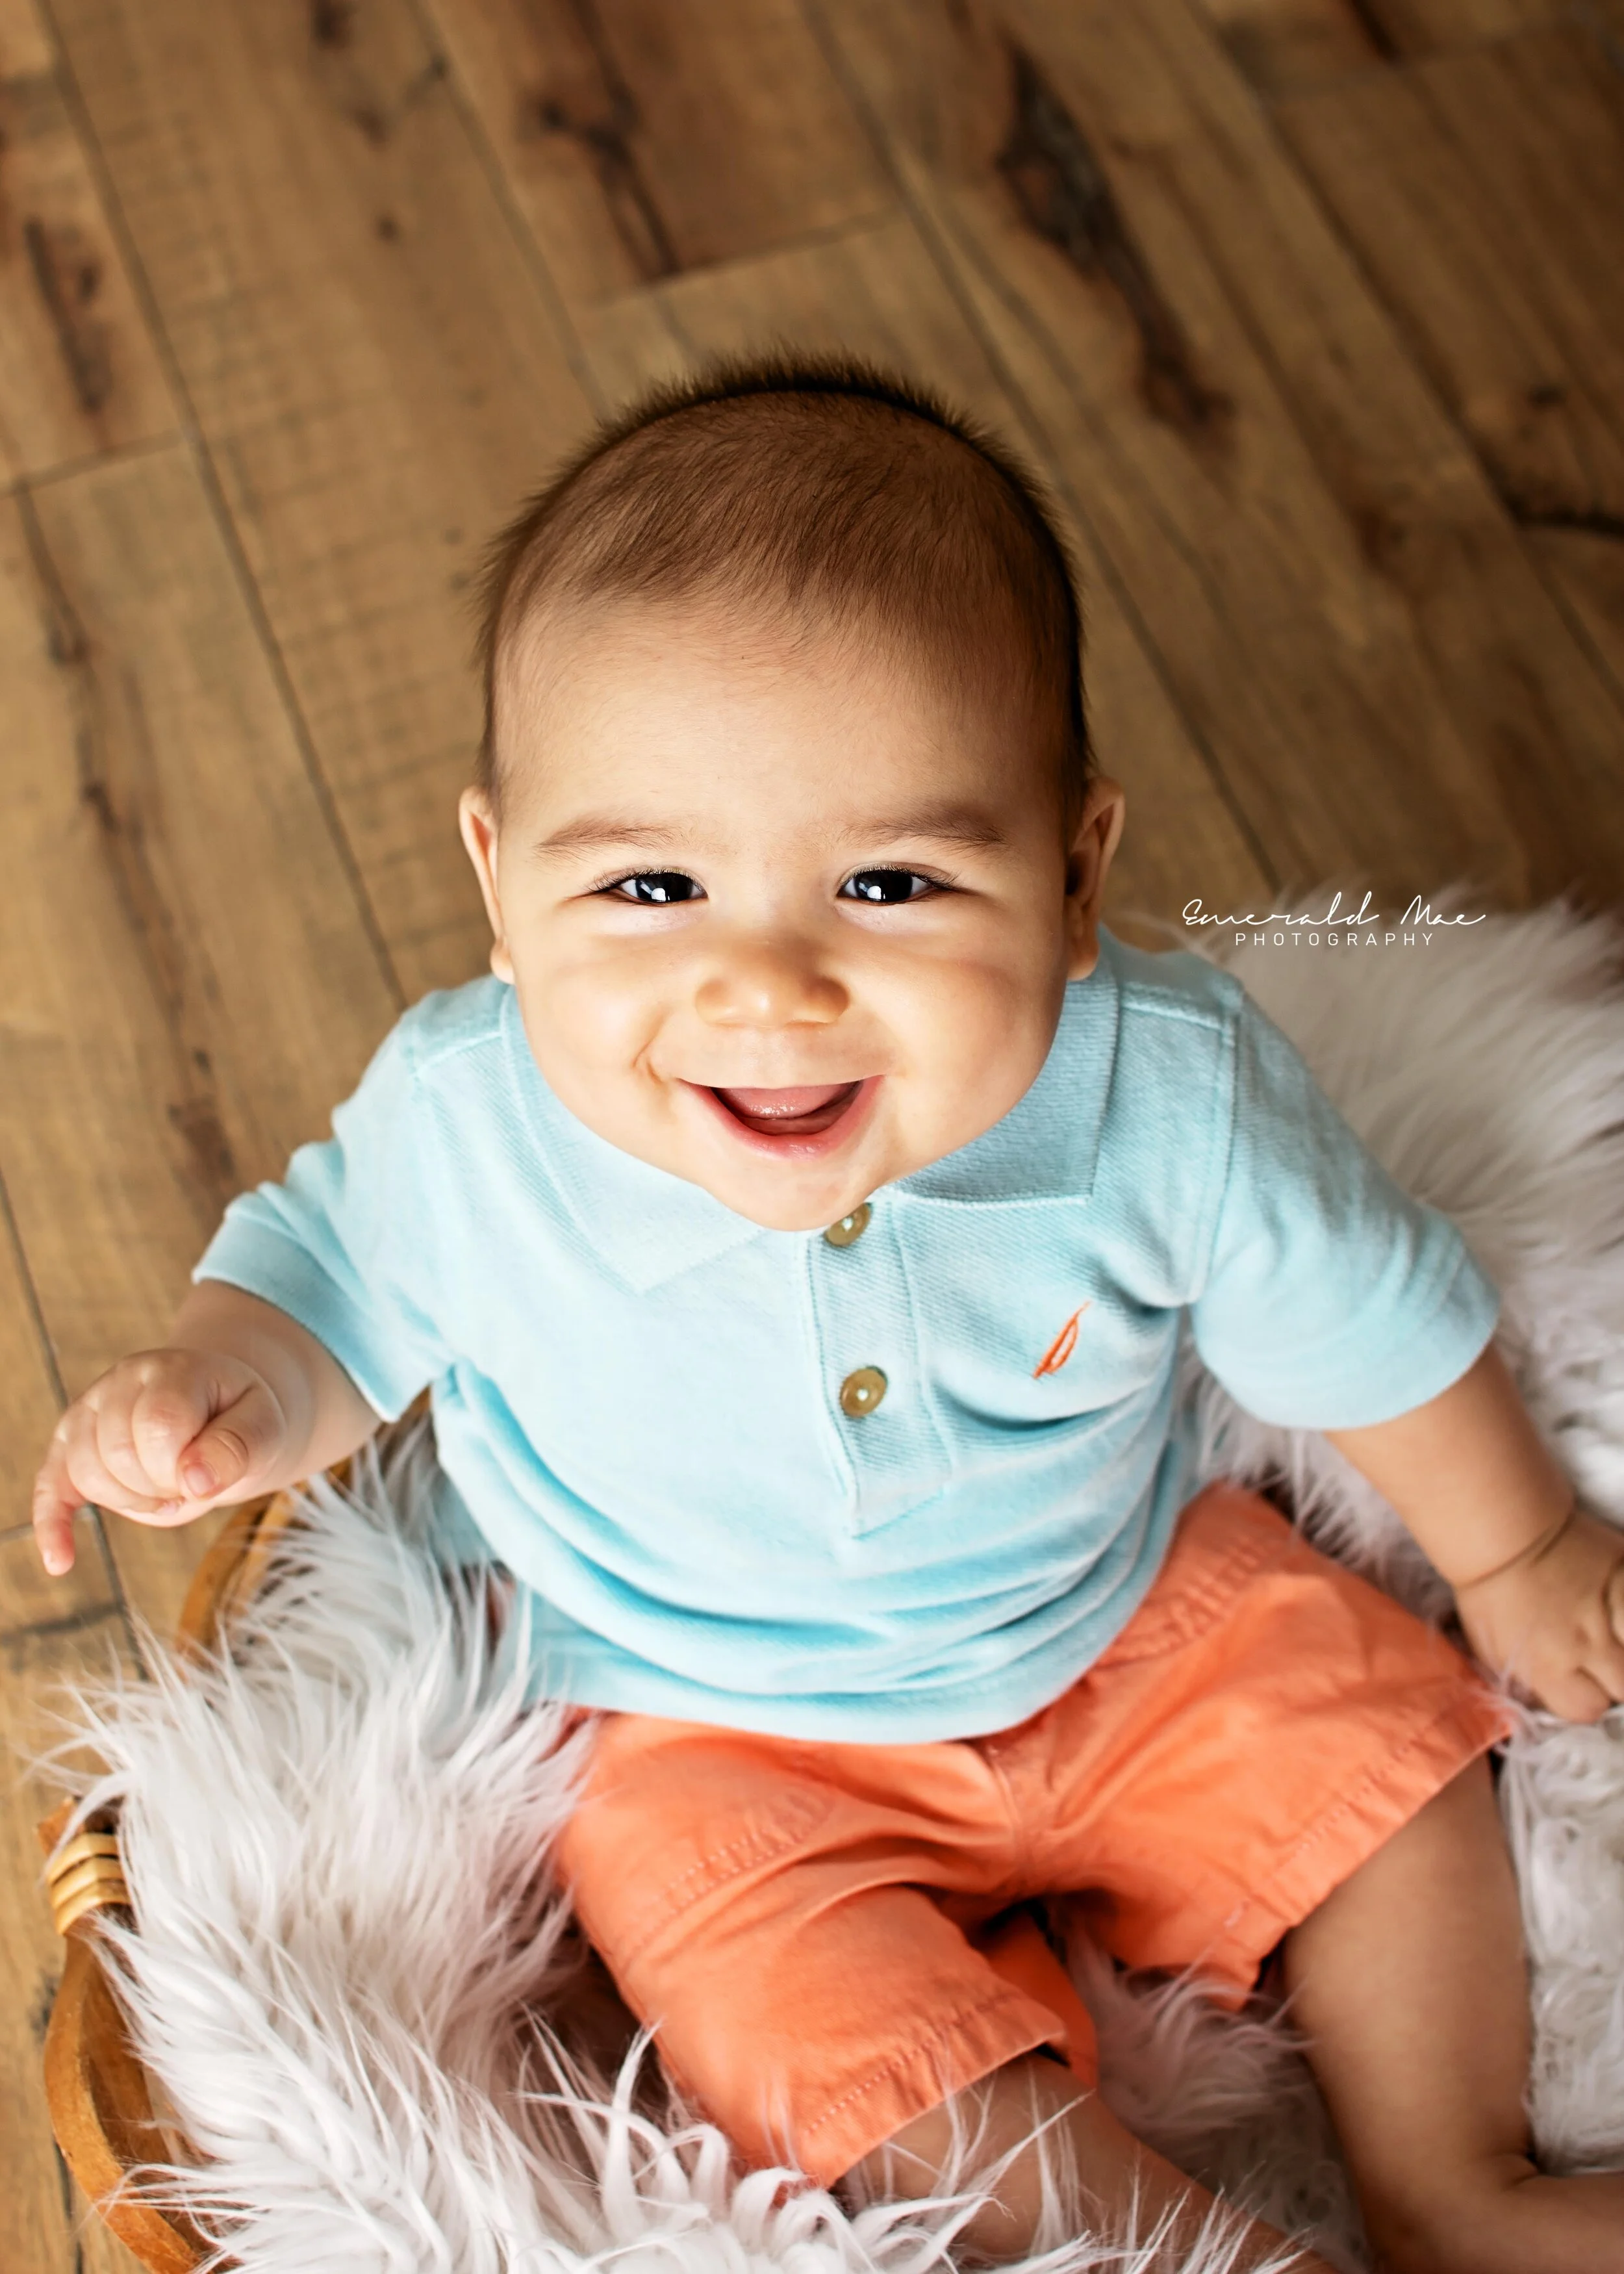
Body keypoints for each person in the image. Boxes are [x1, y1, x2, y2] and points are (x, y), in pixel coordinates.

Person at [32, 357, 1624, 2273]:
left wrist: (1519, 1546)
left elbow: (1372, 1320)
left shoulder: (1163, 1091)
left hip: (1119, 1615)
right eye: (652, 885)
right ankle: (1192, 2249)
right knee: (770, 2006)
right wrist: (225, 1381)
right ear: (500, 887)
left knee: (1379, 1734)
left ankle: (1447, 2181)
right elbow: (327, 1283)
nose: (770, 986)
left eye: (889, 881)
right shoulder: (470, 1123)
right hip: (716, 1727)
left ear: (1072, 874)